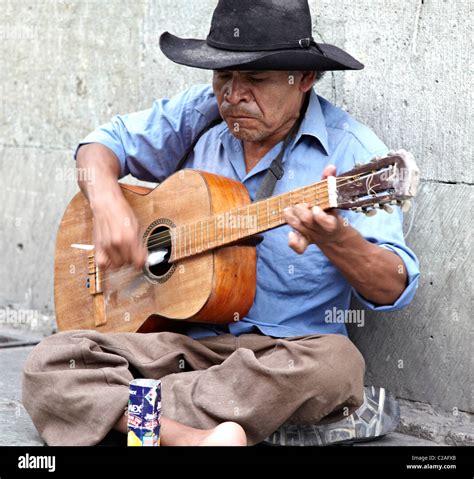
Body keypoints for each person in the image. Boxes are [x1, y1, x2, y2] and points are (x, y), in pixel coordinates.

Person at [22, 0, 420, 446]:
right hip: (186, 348)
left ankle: (124, 413)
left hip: (282, 355)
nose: (233, 95)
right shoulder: (203, 112)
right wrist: (109, 203)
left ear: (305, 78)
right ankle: (198, 436)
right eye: (223, 76)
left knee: (336, 367)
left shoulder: (353, 155)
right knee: (52, 361)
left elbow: (394, 286)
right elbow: (99, 147)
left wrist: (337, 239)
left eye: (255, 79)